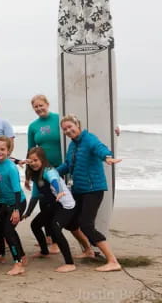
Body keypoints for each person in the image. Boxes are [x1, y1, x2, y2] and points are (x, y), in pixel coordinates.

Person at [57, 114, 122, 272]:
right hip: (78, 190)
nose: (68, 130)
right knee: (71, 223)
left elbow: (100, 148)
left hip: (93, 189)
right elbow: (67, 165)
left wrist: (107, 157)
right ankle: (88, 250)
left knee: (86, 224)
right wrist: (50, 173)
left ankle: (112, 261)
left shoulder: (89, 139)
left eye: (70, 126)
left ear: (77, 124)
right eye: (65, 129)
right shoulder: (72, 145)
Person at [23, 147, 77, 273]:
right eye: (30, 161)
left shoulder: (48, 170)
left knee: (55, 228)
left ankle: (70, 263)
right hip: (53, 205)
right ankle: (44, 251)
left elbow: (54, 180)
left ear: (42, 159)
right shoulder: (35, 174)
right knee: (35, 225)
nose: (33, 163)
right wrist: (28, 213)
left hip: (65, 205)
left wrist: (59, 192)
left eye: (36, 160)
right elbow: (35, 195)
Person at [26, 94, 62, 254]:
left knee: (56, 202)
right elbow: (30, 150)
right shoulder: (33, 126)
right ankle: (50, 238)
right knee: (43, 202)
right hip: (41, 170)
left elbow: (73, 130)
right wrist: (27, 175)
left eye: (41, 105)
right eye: (36, 107)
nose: (39, 108)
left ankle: (55, 240)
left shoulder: (59, 119)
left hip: (60, 168)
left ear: (47, 104)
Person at [0, 136, 26, 276]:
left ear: (9, 150)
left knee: (8, 231)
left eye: (2, 149)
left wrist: (16, 210)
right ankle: (1, 255)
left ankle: (18, 263)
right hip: (4, 202)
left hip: (17, 202)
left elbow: (16, 190)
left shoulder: (10, 168)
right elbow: (0, 187)